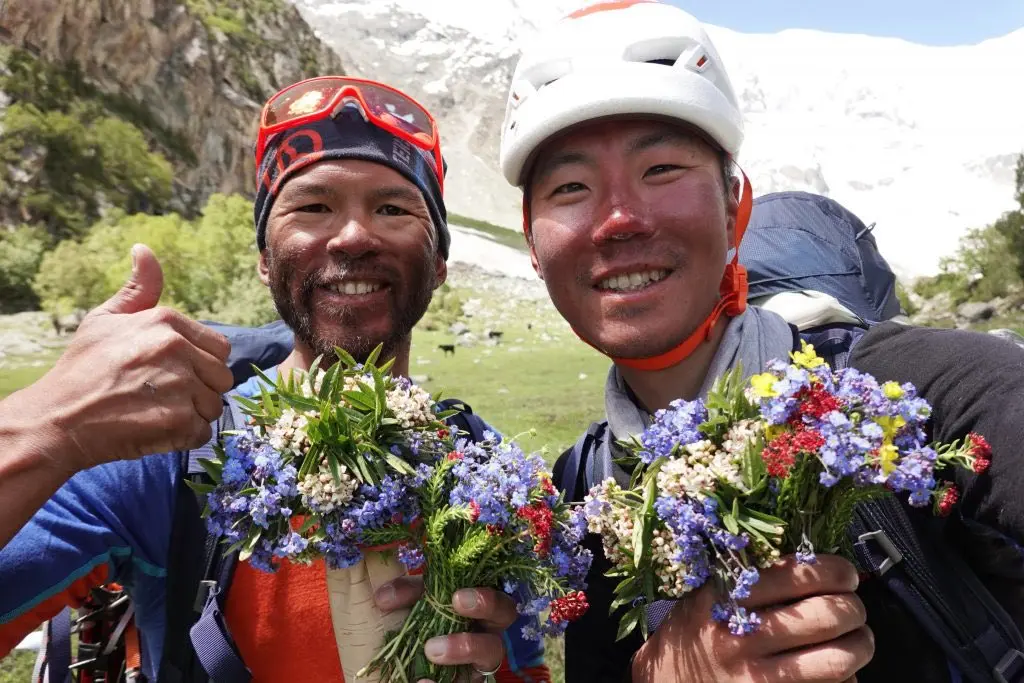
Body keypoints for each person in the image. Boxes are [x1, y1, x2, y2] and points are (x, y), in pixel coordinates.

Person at [498, 2, 1024, 682]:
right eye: (571, 187)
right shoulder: (583, 497)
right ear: (534, 245)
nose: (619, 219)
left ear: (732, 206)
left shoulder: (935, 395)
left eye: (660, 170)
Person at [0, 76, 549, 683]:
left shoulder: (484, 467)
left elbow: (526, 665)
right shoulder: (173, 454)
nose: (353, 236)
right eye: (314, 207)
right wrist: (45, 425)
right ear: (265, 258)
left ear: (440, 262)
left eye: (392, 208)